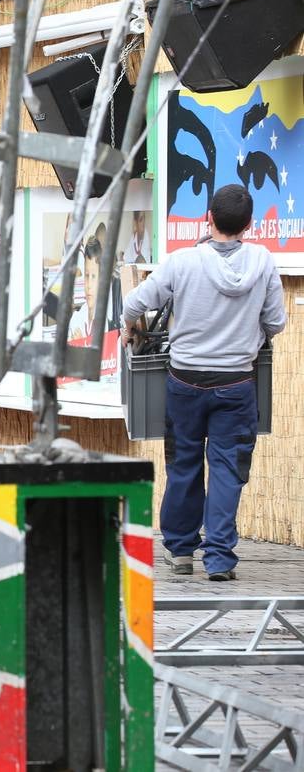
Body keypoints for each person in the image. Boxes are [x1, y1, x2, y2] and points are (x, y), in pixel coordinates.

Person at [122, 184, 285, 582]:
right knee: (228, 470)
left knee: (184, 465)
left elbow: (133, 305)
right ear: (249, 224)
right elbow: (276, 323)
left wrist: (129, 329)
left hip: (185, 383)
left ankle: (180, 551)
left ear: (207, 217)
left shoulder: (182, 263)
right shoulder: (263, 262)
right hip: (237, 384)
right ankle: (220, 559)